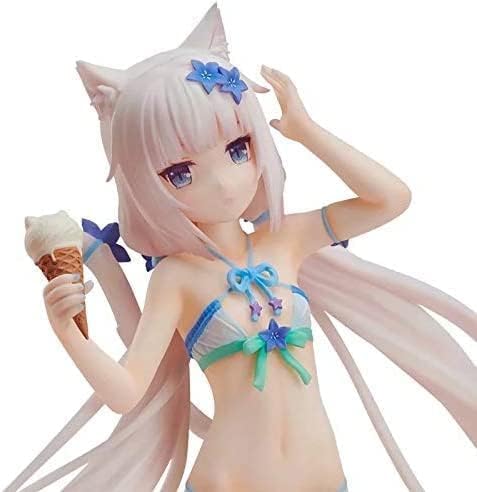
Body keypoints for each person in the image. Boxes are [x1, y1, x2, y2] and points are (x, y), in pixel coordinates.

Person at [6, 3, 476, 491]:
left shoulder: (287, 239)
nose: (224, 183)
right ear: (146, 184)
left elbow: (390, 199)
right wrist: (67, 333)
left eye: (238, 149)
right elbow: (126, 392)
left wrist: (308, 132)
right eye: (180, 173)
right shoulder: (177, 276)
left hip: (324, 478)